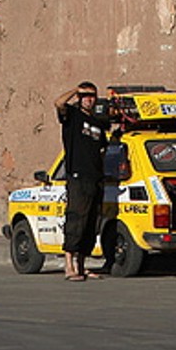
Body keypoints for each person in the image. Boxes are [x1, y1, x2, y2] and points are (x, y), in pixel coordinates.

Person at [54, 82, 115, 281]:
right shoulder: (72, 116)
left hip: (96, 178)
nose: (89, 99)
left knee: (90, 223)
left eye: (92, 96)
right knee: (76, 219)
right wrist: (75, 90)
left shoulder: (97, 123)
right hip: (78, 177)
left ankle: (81, 265)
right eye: (85, 95)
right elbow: (58, 102)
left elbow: (103, 149)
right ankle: (69, 266)